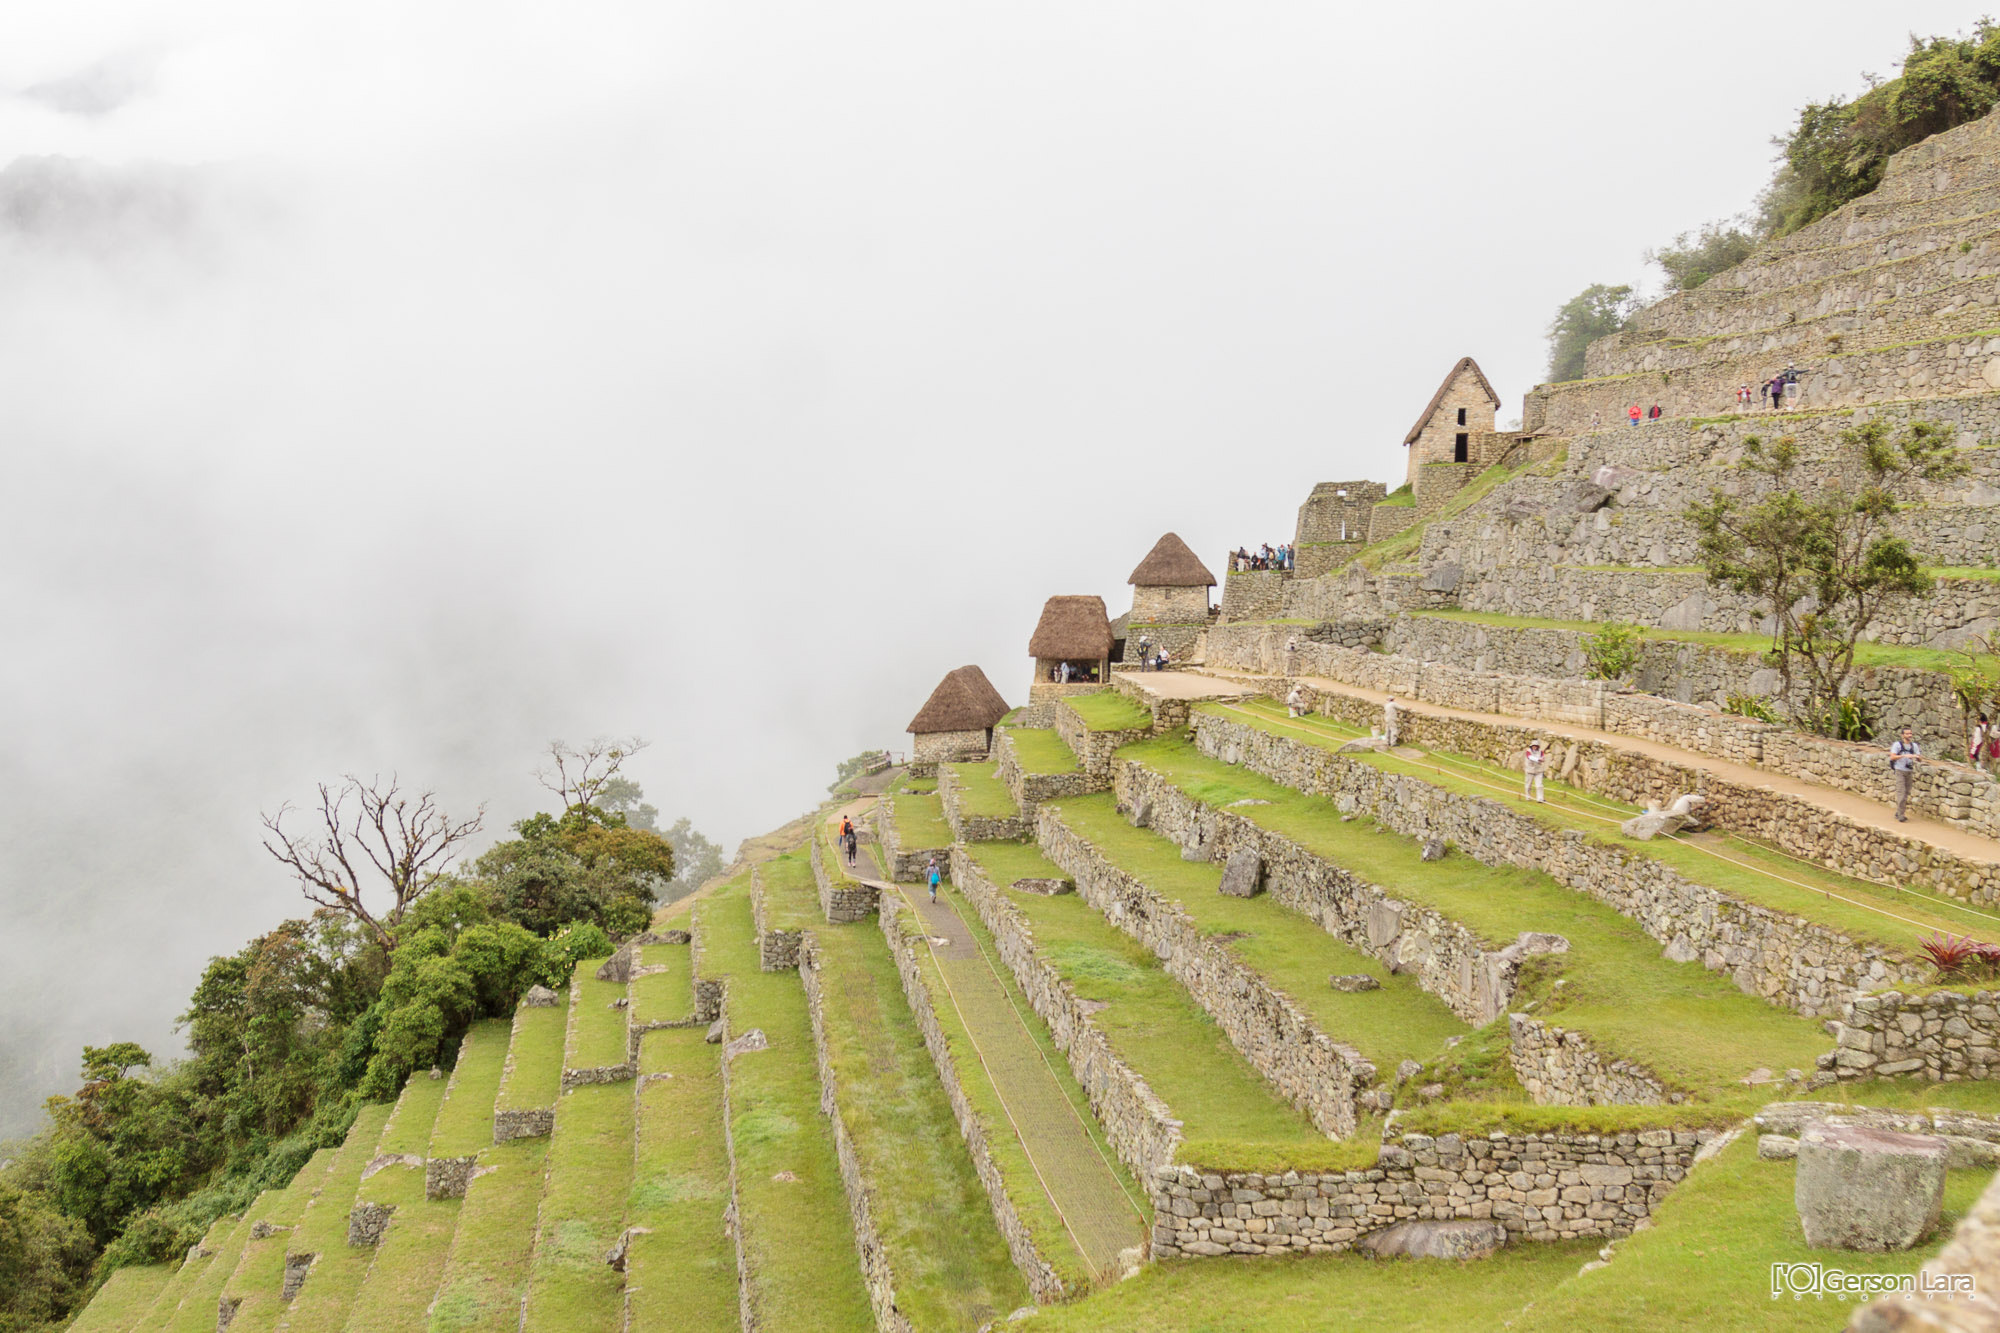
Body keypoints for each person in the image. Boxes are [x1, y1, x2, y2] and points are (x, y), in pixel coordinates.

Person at [1889, 727, 1921, 821]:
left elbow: (1920, 758)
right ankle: (1901, 815)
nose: (1909, 735)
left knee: (1906, 793)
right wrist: (1904, 755)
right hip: (1899, 771)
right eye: (1907, 734)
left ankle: (1899, 812)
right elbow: (1892, 757)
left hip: (1909, 771)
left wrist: (1917, 757)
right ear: (1902, 735)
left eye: (1910, 733)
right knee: (1901, 793)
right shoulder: (1897, 745)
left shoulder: (1914, 746)